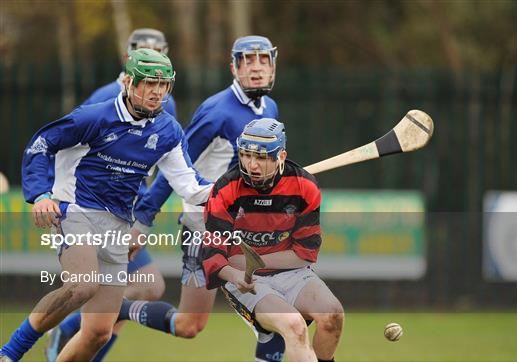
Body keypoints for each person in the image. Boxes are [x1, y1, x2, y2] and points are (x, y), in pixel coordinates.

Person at [0, 48, 211, 362]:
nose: (156, 92)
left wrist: (231, 191)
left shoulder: (168, 131)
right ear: (128, 82)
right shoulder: (95, 116)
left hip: (117, 226)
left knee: (98, 332)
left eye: (163, 85)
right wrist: (40, 195)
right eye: (148, 83)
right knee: (84, 284)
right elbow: (41, 144)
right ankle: (9, 353)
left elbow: (191, 187)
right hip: (75, 209)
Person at [116, 35, 287, 361]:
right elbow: (171, 167)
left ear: (273, 66)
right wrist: (142, 222)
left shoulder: (270, 108)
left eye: (263, 60)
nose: (256, 68)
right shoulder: (216, 112)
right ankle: (118, 308)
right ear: (234, 67)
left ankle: (118, 307)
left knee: (199, 324)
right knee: (194, 324)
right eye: (247, 61)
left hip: (245, 233)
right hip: (207, 232)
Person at [44, 28, 176, 362]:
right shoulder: (105, 98)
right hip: (90, 211)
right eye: (141, 53)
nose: (154, 80)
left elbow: (165, 156)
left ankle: (79, 329)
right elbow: (65, 148)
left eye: (157, 53)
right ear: (126, 60)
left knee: (146, 287)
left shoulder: (166, 103)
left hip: (124, 211)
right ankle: (69, 323)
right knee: (125, 288)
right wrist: (50, 197)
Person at [202, 118, 344, 362]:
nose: (252, 165)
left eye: (262, 157)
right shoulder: (225, 189)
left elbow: (304, 254)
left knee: (333, 316)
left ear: (281, 156)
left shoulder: (305, 187)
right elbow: (213, 255)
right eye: (246, 155)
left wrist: (255, 261)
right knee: (294, 326)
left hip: (290, 273)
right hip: (243, 280)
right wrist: (240, 274)